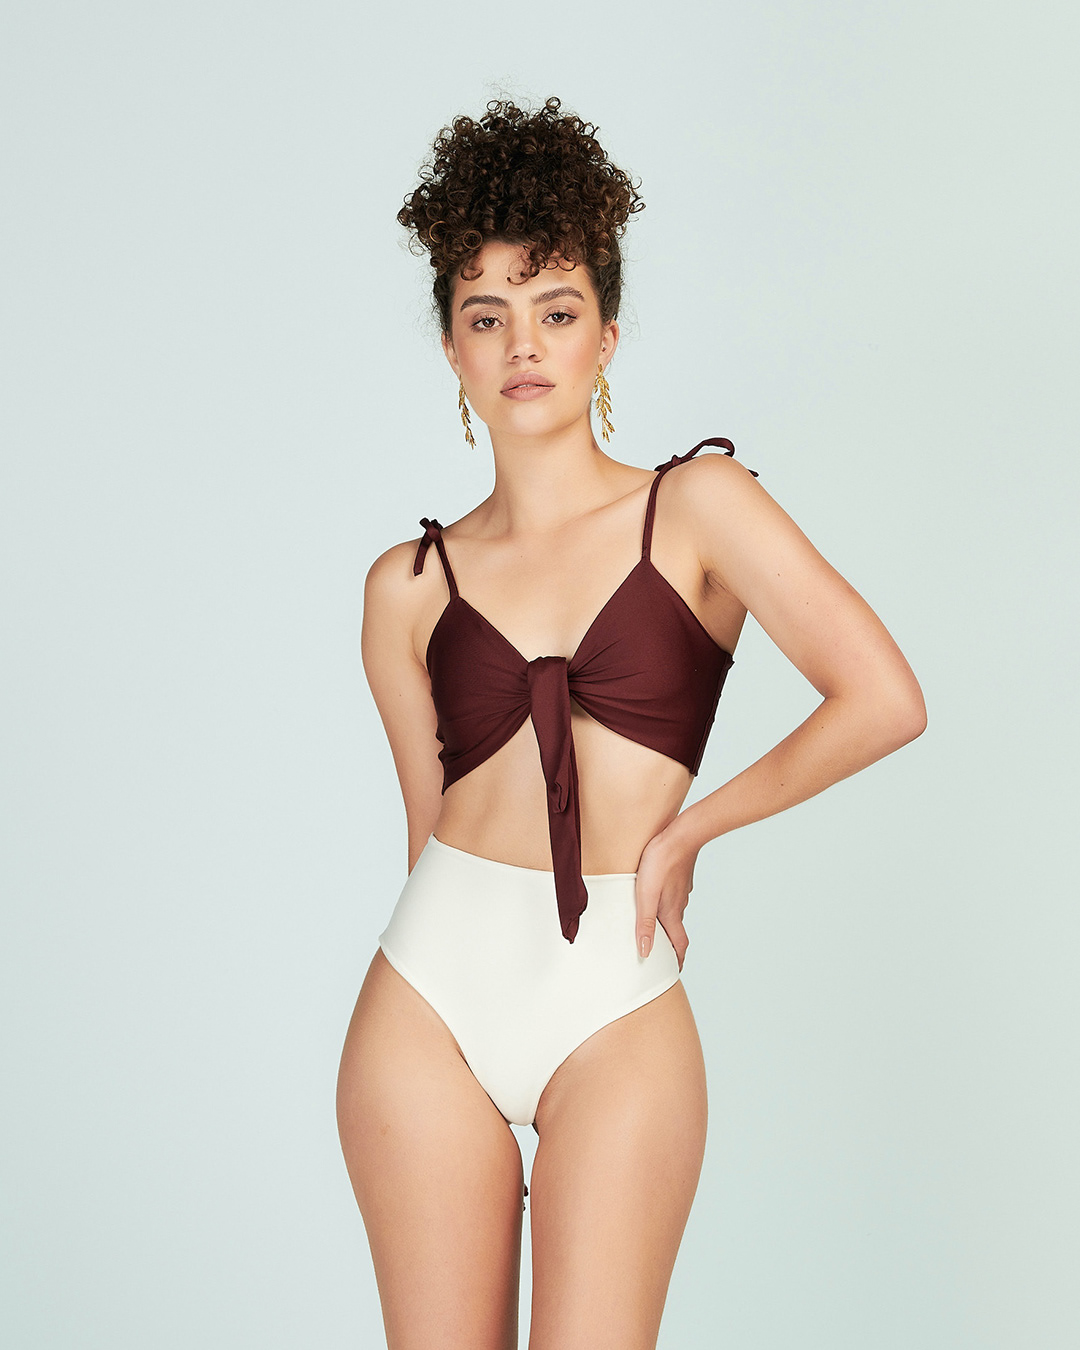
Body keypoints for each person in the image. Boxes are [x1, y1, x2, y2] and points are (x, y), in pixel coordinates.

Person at [335, 96, 926, 1350]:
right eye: (486, 316)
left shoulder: (699, 506)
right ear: (450, 348)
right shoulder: (405, 587)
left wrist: (689, 832)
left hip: (613, 995)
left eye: (556, 311)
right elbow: (425, 834)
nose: (523, 345)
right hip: (426, 998)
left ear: (608, 332)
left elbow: (884, 698)